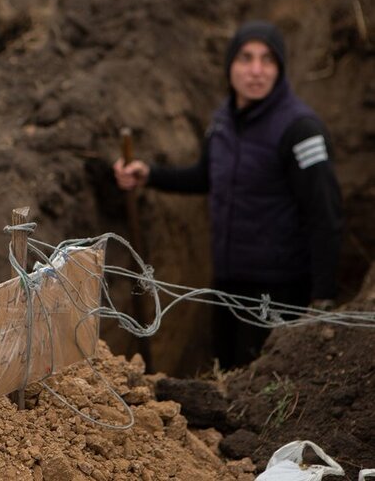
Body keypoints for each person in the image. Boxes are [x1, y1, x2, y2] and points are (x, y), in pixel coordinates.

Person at [113, 21, 343, 367]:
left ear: (280, 69)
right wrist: (150, 175)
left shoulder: (300, 130)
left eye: (268, 60)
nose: (256, 70)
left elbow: (325, 214)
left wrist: (323, 297)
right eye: (245, 58)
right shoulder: (223, 121)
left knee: (261, 385)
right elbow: (208, 177)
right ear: (229, 66)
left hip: (278, 291)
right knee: (226, 370)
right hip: (227, 283)